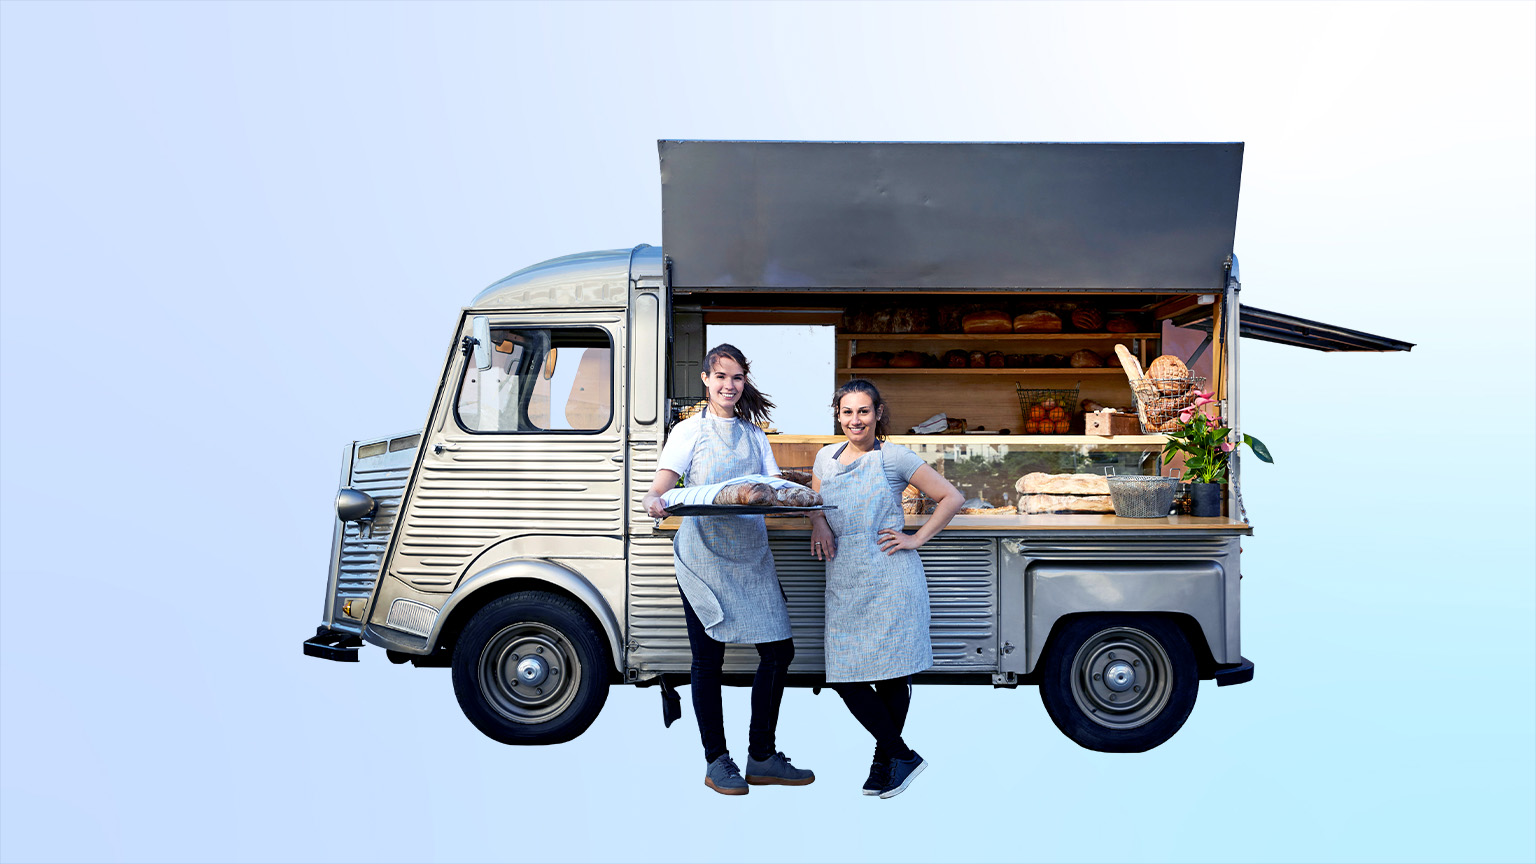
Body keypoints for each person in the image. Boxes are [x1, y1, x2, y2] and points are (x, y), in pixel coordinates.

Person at [641, 344, 815, 796]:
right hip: (704, 557)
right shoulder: (688, 432)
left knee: (779, 653)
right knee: (707, 661)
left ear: (744, 382)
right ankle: (717, 760)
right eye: (721, 377)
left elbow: (772, 487)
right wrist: (653, 499)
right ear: (705, 379)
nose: (729, 385)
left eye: (737, 378)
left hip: (751, 554)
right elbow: (664, 481)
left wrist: (811, 508)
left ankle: (762, 755)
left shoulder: (754, 435)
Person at [807, 379, 963, 799]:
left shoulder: (894, 457)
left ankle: (884, 761)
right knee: (845, 677)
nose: (855, 420)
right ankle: (900, 754)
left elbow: (951, 497)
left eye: (863, 411)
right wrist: (819, 523)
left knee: (892, 675)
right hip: (845, 577)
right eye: (847, 412)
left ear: (878, 414)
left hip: (891, 575)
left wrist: (915, 539)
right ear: (838, 416)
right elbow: (815, 505)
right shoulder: (826, 457)